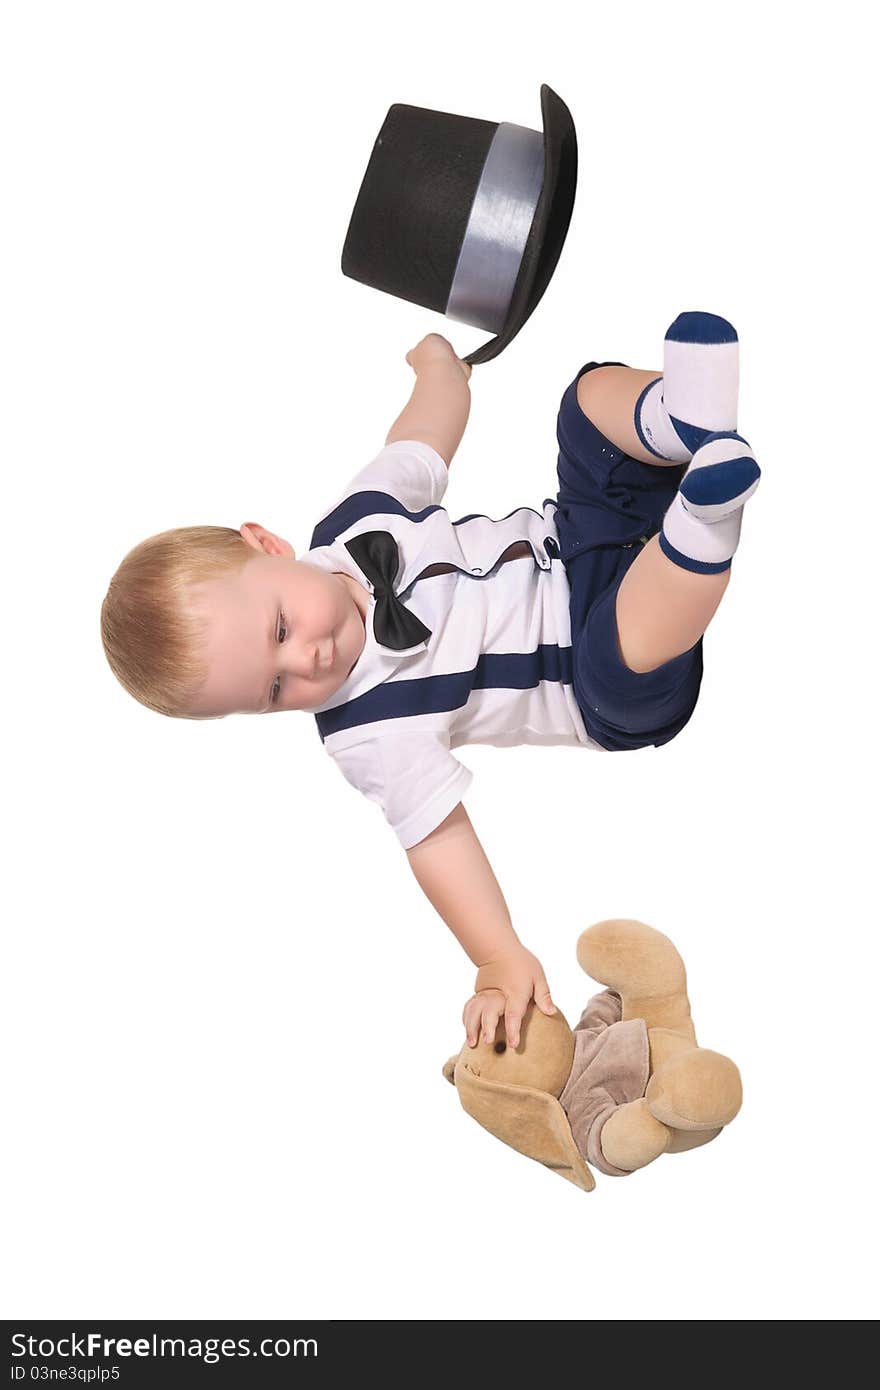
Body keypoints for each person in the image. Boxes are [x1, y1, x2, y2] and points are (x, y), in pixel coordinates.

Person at [101, 312, 759, 1053]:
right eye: (272, 693)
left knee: (582, 407)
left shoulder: (354, 519)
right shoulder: (368, 731)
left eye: (281, 630)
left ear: (267, 544)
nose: (306, 663)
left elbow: (422, 443)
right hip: (601, 676)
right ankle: (705, 524)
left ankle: (680, 416)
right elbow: (437, 838)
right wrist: (496, 955)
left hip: (584, 535)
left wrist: (440, 370)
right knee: (622, 653)